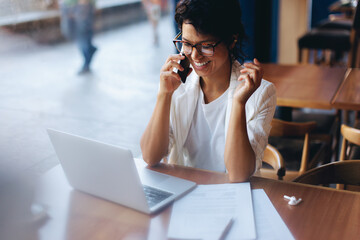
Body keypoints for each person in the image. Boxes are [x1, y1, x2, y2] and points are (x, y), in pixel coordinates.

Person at [140, 0, 276, 182]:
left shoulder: (261, 93)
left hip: (234, 199)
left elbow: (238, 175)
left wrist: (238, 103)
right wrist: (164, 95)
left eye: (206, 46)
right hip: (186, 192)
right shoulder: (178, 84)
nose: (195, 56)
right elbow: (150, 156)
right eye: (187, 44)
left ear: (231, 40)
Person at [58, 0, 97, 74]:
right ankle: (90, 50)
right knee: (76, 36)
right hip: (68, 6)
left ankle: (86, 64)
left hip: (82, 5)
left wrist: (84, 3)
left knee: (83, 36)